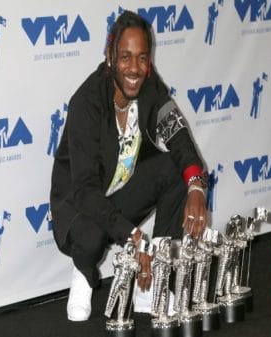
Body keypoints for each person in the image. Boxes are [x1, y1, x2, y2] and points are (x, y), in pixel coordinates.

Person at [50, 10, 207, 321]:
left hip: (120, 195)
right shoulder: (86, 103)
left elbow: (177, 134)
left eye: (142, 58)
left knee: (174, 171)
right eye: (125, 57)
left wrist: (196, 183)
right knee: (92, 236)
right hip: (82, 207)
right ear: (110, 57)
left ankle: (153, 284)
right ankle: (82, 271)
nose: (134, 68)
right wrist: (134, 237)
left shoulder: (149, 85)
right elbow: (84, 190)